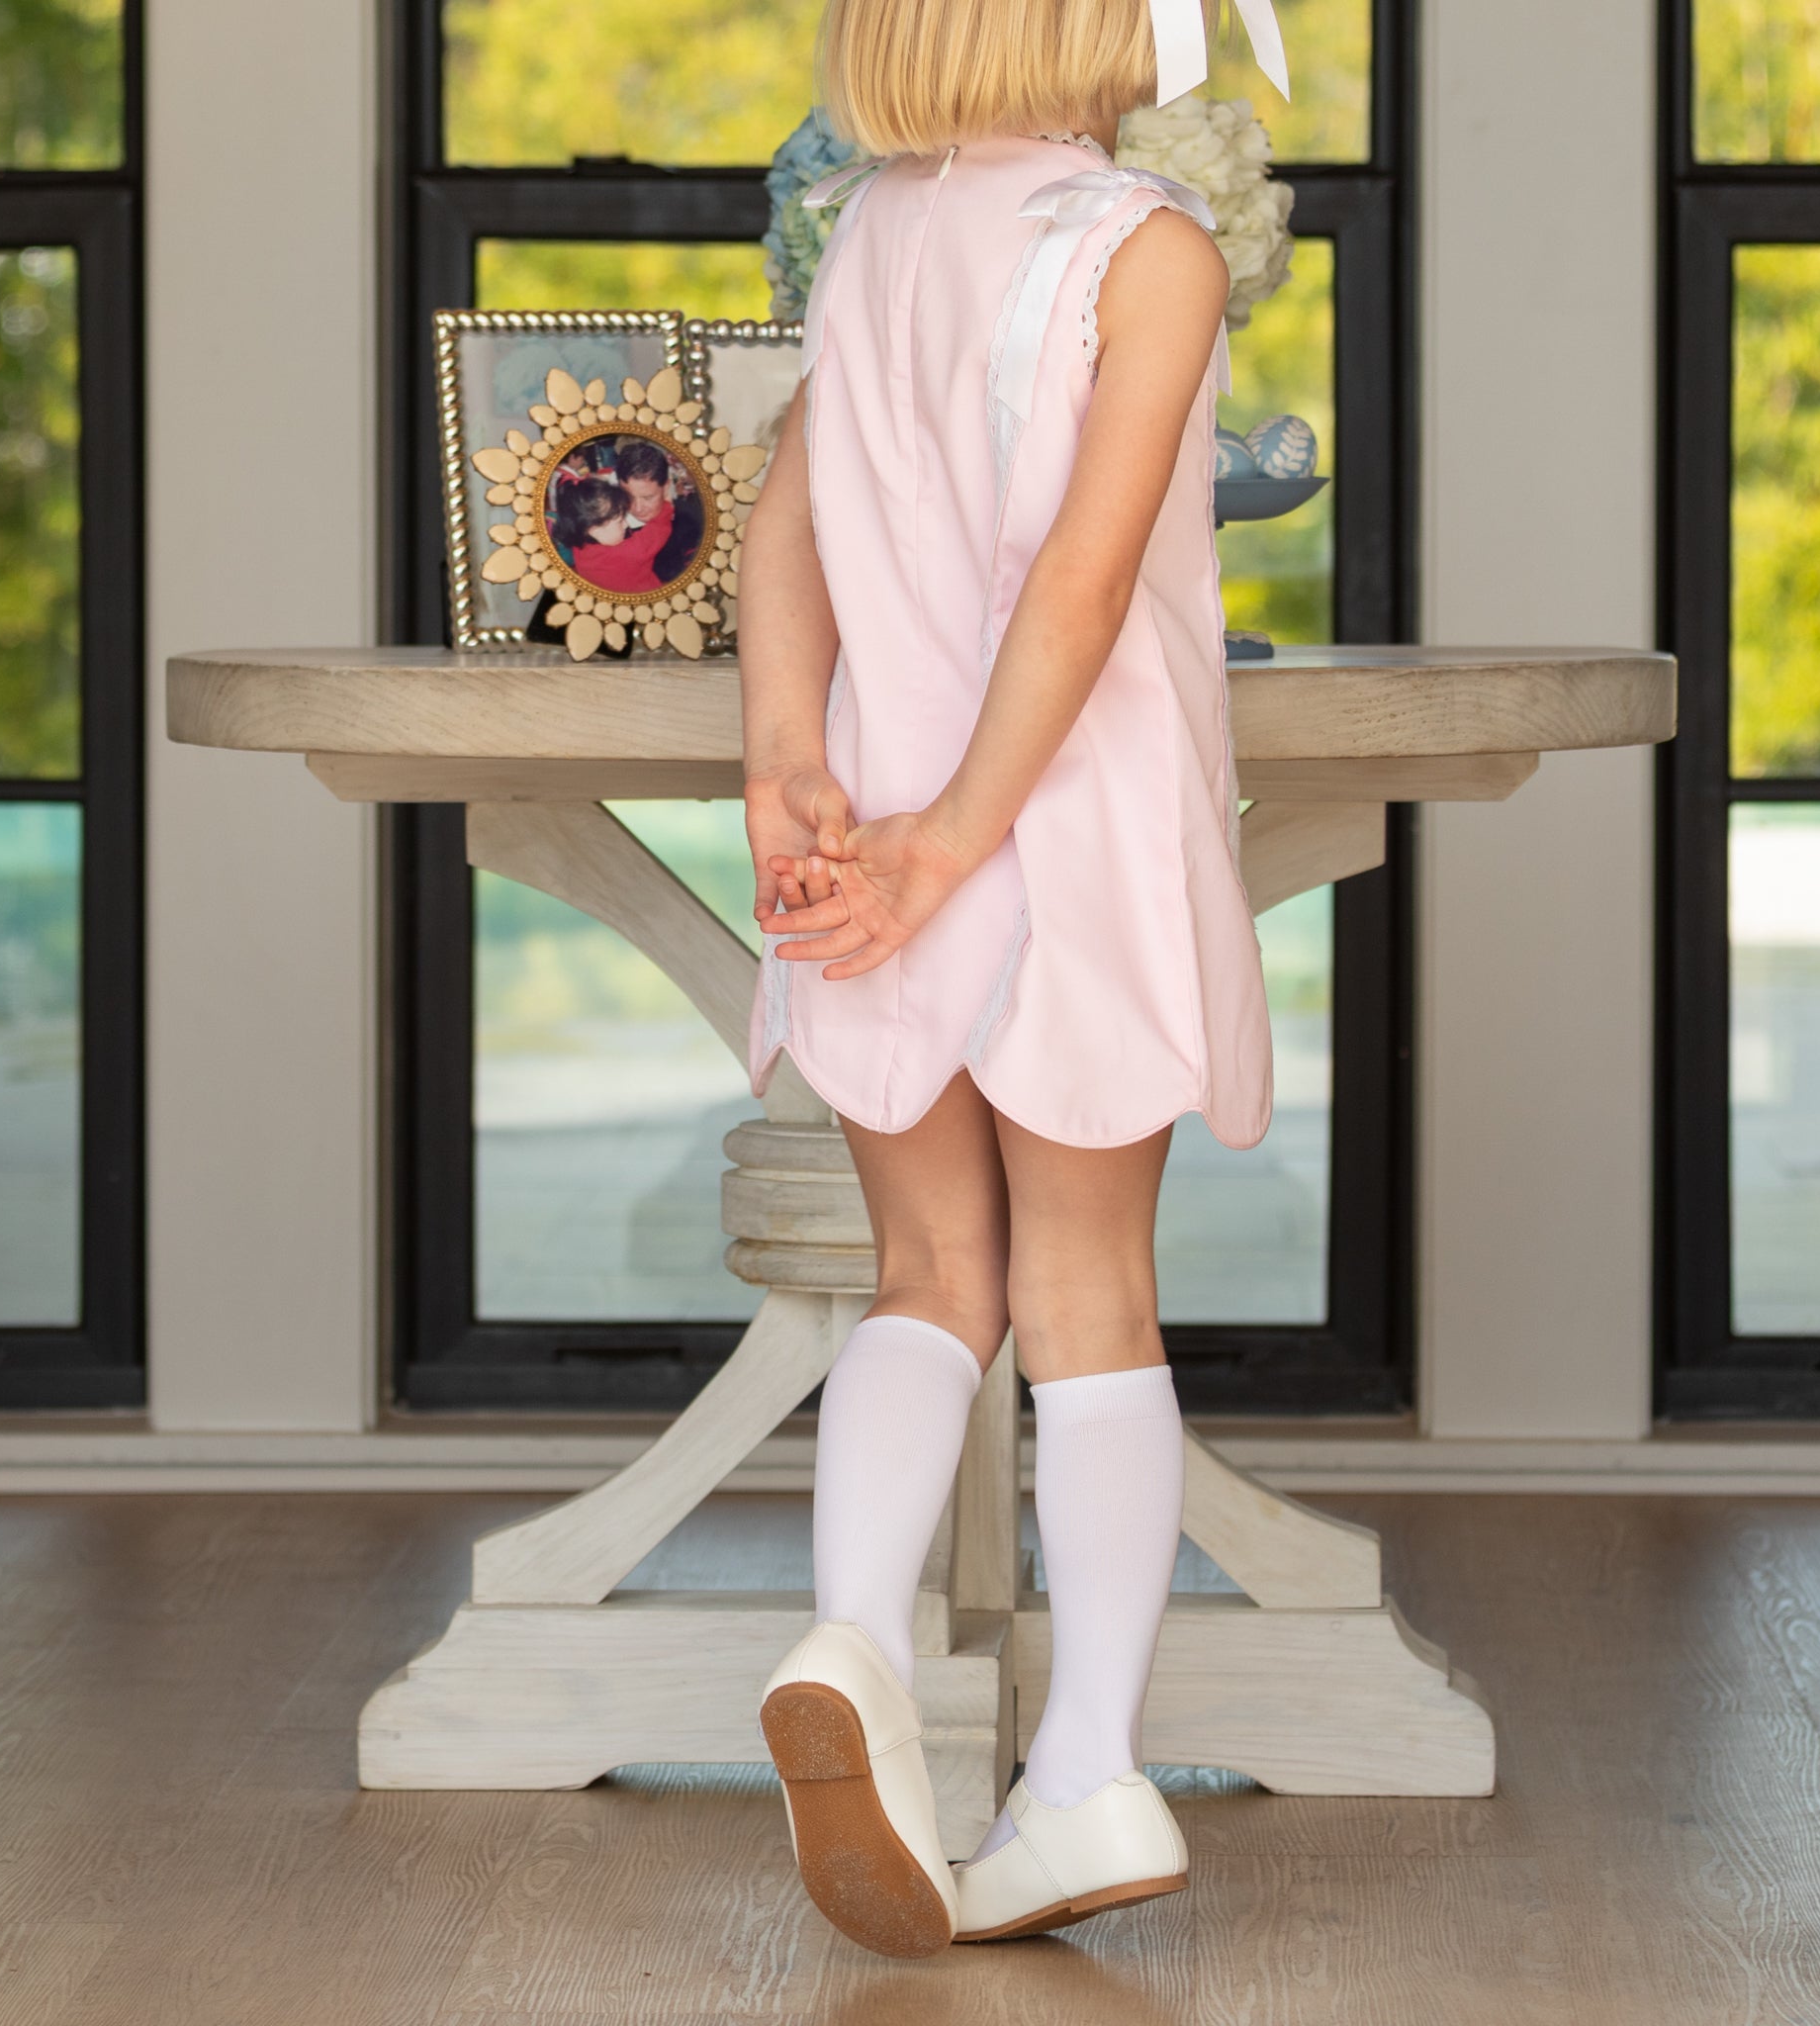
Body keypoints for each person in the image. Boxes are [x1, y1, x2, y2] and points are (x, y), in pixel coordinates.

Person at [740, 0, 1282, 1962]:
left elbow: (784, 521)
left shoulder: (871, 229)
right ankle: (1082, 1777)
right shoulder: (1149, 248)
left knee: (923, 1280)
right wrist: (967, 830)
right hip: (1055, 829)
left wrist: (784, 767)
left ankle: (857, 1639)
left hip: (869, 826)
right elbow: (1081, 576)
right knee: (1089, 1298)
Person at [549, 474, 674, 595]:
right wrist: (667, 505)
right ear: (593, 529)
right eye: (620, 521)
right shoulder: (629, 555)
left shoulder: (581, 542)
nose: (626, 524)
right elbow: (657, 532)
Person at [611, 434, 705, 583]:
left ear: (666, 487)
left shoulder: (691, 522)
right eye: (628, 497)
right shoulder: (609, 525)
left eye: (648, 498)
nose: (637, 508)